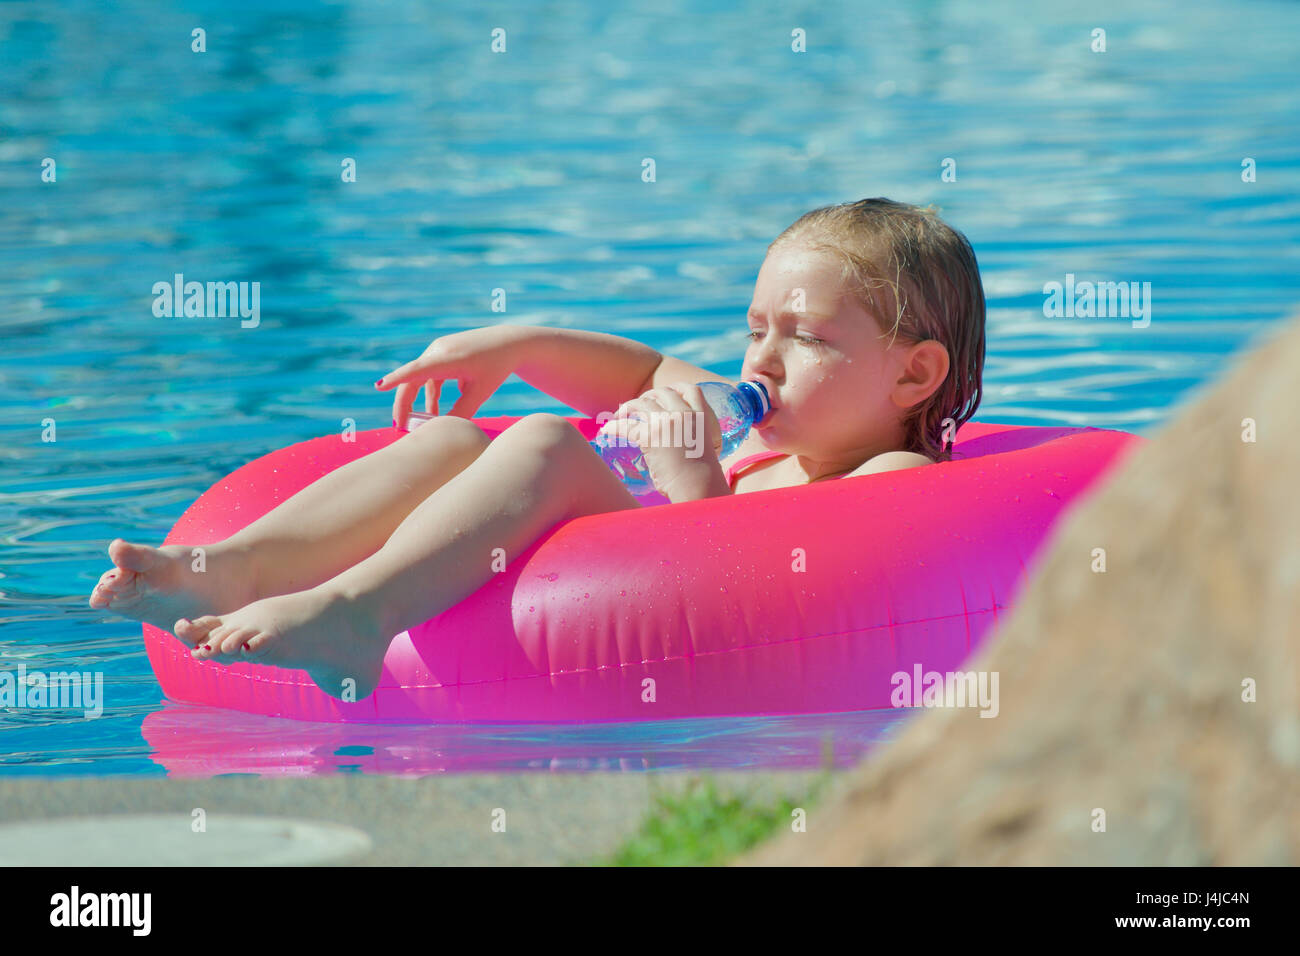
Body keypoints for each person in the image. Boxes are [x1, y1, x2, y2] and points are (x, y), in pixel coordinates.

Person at [89, 197, 985, 701]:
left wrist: (696, 487)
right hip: (638, 536)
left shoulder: (893, 476)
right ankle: (236, 564)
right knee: (449, 439)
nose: (759, 360)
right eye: (756, 328)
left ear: (913, 377)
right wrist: (512, 347)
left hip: (684, 603)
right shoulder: (770, 422)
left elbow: (773, 589)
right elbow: (639, 368)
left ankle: (356, 614)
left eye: (805, 337)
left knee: (549, 444)